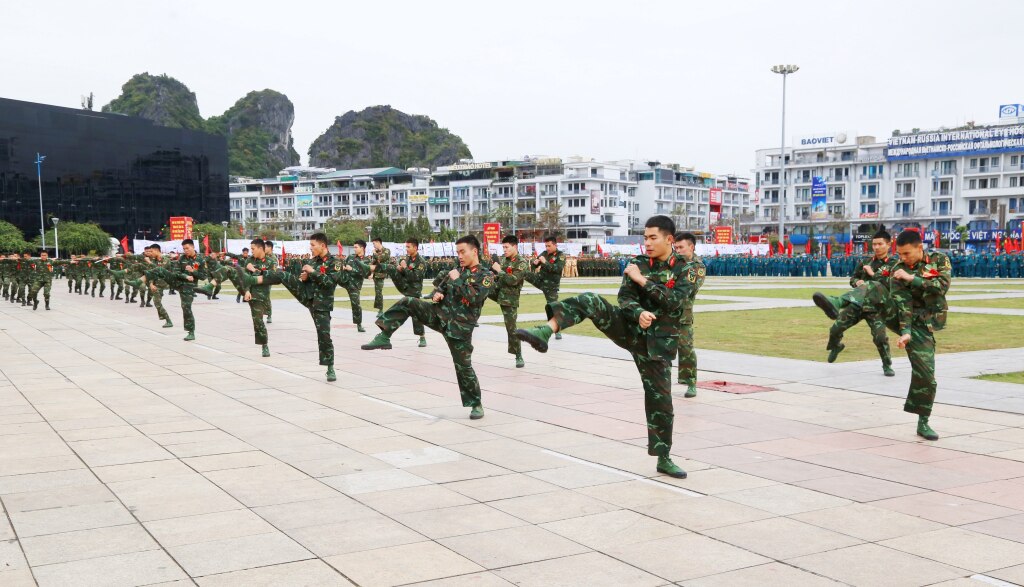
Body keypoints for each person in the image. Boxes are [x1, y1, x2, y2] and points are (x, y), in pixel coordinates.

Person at [516, 215, 695, 478]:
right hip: (630, 328)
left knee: (661, 401)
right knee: (591, 300)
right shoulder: (638, 263)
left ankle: (664, 458)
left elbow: (675, 302)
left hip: (657, 344)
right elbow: (625, 298)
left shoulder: (685, 269)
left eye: (652, 238)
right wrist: (638, 313)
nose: (647, 243)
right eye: (645, 237)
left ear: (669, 239)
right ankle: (545, 331)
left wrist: (643, 281)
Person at [361, 235, 495, 419]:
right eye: (458, 253)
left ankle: (476, 404)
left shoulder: (485, 275)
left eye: (463, 252)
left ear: (475, 251)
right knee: (408, 302)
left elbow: (474, 297)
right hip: (439, 315)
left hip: (459, 328)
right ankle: (385, 335)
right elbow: (440, 287)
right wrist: (438, 293)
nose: (460, 256)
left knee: (464, 368)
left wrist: (456, 280)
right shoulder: (456, 271)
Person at [237, 233, 339, 381]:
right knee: (282, 275)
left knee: (324, 335)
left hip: (321, 304)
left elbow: (329, 283)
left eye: (313, 245)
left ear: (322, 245)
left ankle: (330, 368)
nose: (310, 248)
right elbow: (305, 280)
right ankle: (252, 278)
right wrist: (304, 278)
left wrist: (312, 272)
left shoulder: (334, 262)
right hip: (305, 294)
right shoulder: (312, 261)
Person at [842, 229, 899, 376]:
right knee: (838, 326)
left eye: (880, 244)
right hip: (860, 303)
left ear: (888, 244)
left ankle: (887, 364)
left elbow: (891, 284)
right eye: (874, 244)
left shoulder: (895, 263)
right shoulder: (865, 261)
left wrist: (872, 274)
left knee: (880, 337)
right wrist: (857, 282)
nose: (876, 247)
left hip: (877, 307)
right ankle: (835, 344)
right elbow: (853, 278)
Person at [144, 239, 214, 341]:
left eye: (187, 248)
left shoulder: (200, 260)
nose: (185, 250)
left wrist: (193, 272)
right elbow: (176, 272)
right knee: (160, 270)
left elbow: (203, 276)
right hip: (177, 282)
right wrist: (185, 275)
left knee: (186, 307)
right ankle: (139, 281)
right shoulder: (182, 258)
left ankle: (191, 332)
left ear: (193, 247)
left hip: (189, 287)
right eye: (184, 249)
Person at [375, 238, 427, 347]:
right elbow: (405, 274)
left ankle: (422, 337)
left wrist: (404, 267)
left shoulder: (421, 262)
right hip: (405, 286)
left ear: (415, 248)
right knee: (392, 268)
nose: (406, 249)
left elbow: (415, 277)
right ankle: (372, 268)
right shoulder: (407, 259)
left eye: (408, 247)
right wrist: (400, 269)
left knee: (415, 315)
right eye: (406, 247)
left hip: (414, 291)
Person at [489, 235, 530, 368]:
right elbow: (500, 279)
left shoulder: (521, 262)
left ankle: (518, 355)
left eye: (507, 247)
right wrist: (493, 276)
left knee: (511, 328)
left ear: (515, 247)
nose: (504, 250)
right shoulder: (504, 260)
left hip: (509, 298)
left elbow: (513, 280)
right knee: (479, 285)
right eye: (503, 247)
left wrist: (499, 271)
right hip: (498, 292)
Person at [673, 232, 706, 398]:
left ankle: (691, 382)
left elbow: (690, 288)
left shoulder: (697, 266)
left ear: (691, 247)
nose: (677, 250)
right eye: (675, 247)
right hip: (664, 311)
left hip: (682, 313)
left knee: (685, 348)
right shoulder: (671, 262)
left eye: (681, 247)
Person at [525, 235, 567, 340]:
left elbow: (557, 269)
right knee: (523, 273)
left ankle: (557, 330)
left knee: (552, 307)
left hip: (551, 286)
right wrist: (535, 263)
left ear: (555, 245)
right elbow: (536, 264)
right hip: (539, 280)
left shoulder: (560, 256)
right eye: (546, 246)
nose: (547, 248)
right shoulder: (544, 253)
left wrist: (545, 262)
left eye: (549, 246)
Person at [238, 239, 274, 357]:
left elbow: (270, 278)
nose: (251, 251)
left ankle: (265, 345)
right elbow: (245, 277)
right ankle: (264, 344)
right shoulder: (248, 260)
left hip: (263, 295)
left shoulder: (270, 262)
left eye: (253, 249)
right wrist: (246, 291)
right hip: (251, 294)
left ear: (260, 248)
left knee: (259, 320)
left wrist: (253, 269)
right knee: (257, 320)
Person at [339, 240, 372, 332]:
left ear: (362, 248)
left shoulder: (366, 260)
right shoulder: (351, 257)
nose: (354, 249)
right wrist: (342, 266)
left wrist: (352, 269)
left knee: (356, 304)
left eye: (356, 247)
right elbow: (343, 265)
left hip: (354, 285)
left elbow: (365, 274)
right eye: (354, 247)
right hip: (344, 280)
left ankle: (359, 324)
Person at [369, 237, 391, 317]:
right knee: (377, 292)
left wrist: (375, 254)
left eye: (374, 243)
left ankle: (381, 309)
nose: (373, 245)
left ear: (378, 242)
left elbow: (380, 258)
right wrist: (371, 273)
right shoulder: (376, 252)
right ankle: (379, 309)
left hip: (381, 274)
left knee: (379, 292)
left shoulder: (386, 250)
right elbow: (374, 262)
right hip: (376, 274)